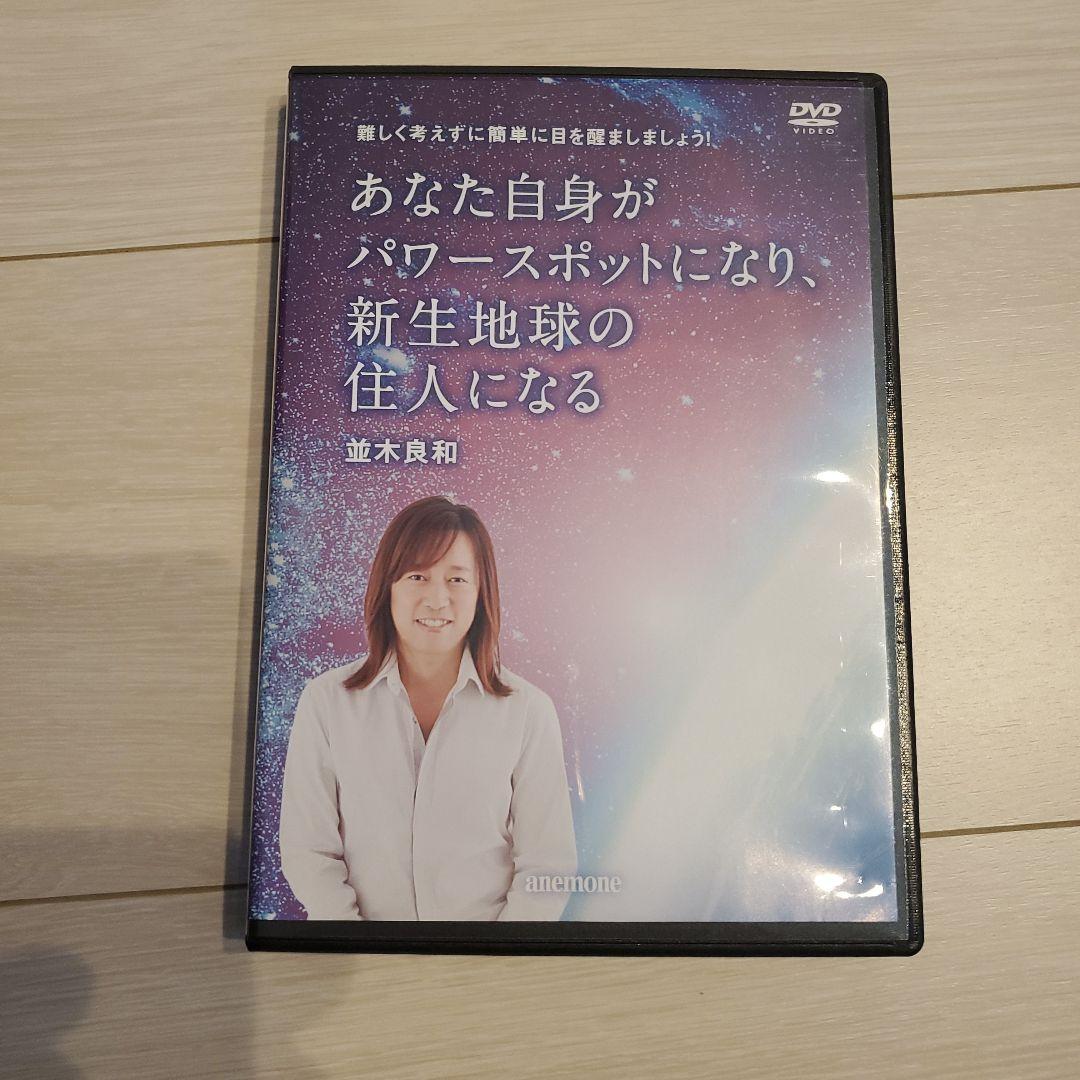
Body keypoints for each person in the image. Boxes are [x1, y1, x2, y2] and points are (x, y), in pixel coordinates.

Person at [279, 495, 578, 920]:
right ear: (388, 587)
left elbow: (547, 866)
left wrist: (496, 954)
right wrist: (355, 947)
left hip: (484, 953)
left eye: (457, 579)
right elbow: (309, 850)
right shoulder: (327, 700)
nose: (437, 600)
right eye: (417, 576)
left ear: (481, 592)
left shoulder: (528, 710)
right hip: (359, 952)